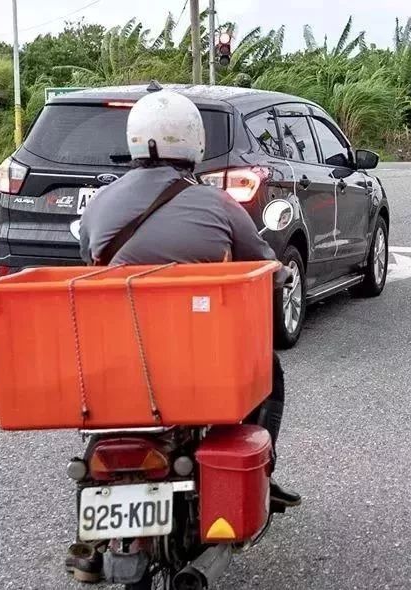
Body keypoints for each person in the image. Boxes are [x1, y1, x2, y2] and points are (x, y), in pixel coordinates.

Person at [78, 90, 300, 508]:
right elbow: (262, 262)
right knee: (268, 374)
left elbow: (87, 260)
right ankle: (262, 475)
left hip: (118, 352)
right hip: (196, 352)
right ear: (194, 143)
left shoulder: (101, 202)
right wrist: (282, 275)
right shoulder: (216, 203)